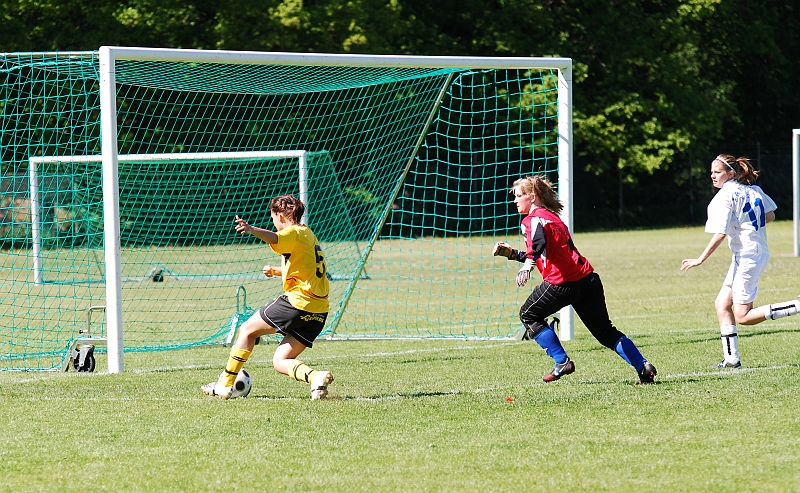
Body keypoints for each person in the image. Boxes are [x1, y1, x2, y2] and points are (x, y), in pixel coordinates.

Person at [493, 175, 657, 384]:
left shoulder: (532, 220)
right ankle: (643, 367)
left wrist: (527, 266)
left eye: (518, 196)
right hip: (587, 280)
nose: (515, 201)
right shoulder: (551, 217)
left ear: (532, 197)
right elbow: (546, 252)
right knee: (606, 332)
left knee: (529, 314)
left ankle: (562, 361)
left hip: (563, 282)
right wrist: (513, 254)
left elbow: (538, 245)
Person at [202, 194, 334, 400]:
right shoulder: (308, 233)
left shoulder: (292, 232)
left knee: (247, 330)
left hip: (298, 302)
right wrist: (277, 271)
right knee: (280, 360)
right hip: (318, 311)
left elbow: (276, 238)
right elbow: (306, 267)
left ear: (280, 216)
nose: (273, 222)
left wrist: (251, 229)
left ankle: (225, 384)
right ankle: (315, 377)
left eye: (272, 217)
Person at [680, 154, 799, 368]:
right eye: (712, 172)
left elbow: (720, 233)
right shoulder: (752, 190)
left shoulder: (725, 196)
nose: (712, 176)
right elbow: (770, 214)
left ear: (730, 173)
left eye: (717, 172)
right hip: (751, 252)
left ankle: (797, 305)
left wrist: (700, 259)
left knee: (743, 316)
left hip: (748, 256)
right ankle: (731, 359)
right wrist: (746, 223)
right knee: (722, 304)